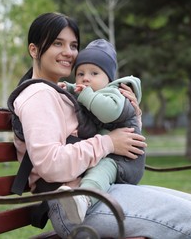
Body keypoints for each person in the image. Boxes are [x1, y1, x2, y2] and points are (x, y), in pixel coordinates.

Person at [8, 12, 191, 238]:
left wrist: (131, 116)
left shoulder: (62, 91)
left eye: (73, 45)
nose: (69, 52)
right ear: (34, 50)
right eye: (57, 43)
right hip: (73, 206)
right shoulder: (39, 95)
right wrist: (109, 143)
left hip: (99, 190)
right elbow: (50, 164)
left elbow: (99, 128)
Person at [57, 39, 146, 224]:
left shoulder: (116, 94)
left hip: (126, 159)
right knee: (99, 168)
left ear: (109, 79)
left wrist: (84, 94)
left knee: (102, 169)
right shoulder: (93, 94)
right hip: (113, 150)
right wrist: (70, 88)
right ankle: (79, 196)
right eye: (80, 74)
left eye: (94, 73)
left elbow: (108, 112)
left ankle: (85, 199)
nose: (85, 78)